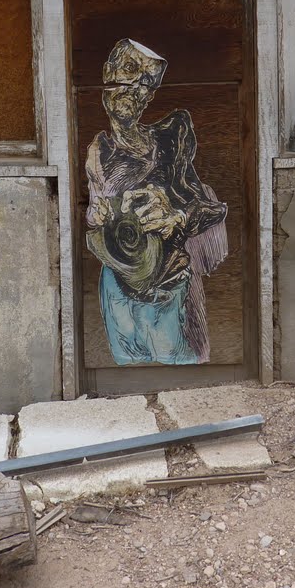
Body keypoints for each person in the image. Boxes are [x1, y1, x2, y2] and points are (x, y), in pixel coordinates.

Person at [85, 38, 227, 365]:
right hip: (119, 289)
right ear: (108, 73)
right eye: (130, 71)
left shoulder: (170, 137)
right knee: (128, 372)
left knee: (184, 367)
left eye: (147, 83)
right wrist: (97, 215)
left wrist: (175, 214)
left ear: (151, 94)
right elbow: (92, 217)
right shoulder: (99, 150)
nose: (135, 88)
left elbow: (208, 208)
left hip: (169, 285)